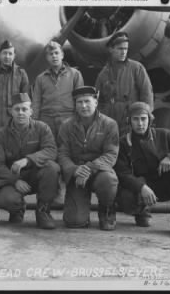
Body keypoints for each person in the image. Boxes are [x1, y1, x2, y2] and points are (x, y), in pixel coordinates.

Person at [0, 93, 60, 229]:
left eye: (24, 109)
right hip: (13, 177)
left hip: (36, 175)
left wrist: (28, 160)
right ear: (10, 112)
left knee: (51, 168)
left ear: (31, 111)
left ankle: (43, 211)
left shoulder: (42, 128)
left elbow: (51, 150)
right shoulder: (0, 134)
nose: (20, 113)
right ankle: (17, 210)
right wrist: (14, 180)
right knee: (7, 199)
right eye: (17, 109)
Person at [114, 102, 170, 237]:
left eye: (143, 119)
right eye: (136, 119)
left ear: (149, 119)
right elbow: (123, 173)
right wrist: (141, 187)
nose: (140, 123)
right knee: (127, 198)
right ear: (129, 121)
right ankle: (141, 212)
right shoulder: (123, 143)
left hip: (165, 184)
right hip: (142, 187)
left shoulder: (165, 135)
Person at [58, 86, 119, 230]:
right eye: (79, 102)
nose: (84, 106)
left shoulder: (109, 124)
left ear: (96, 102)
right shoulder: (66, 126)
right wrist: (74, 170)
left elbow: (111, 154)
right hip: (77, 173)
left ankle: (107, 209)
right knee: (75, 222)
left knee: (108, 181)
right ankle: (79, 208)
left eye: (87, 101)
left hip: (99, 171)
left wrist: (89, 169)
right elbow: (62, 154)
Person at [95, 31, 154, 134]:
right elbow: (97, 101)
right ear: (111, 49)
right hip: (110, 122)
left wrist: (145, 117)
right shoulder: (103, 74)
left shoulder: (137, 68)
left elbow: (147, 93)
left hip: (132, 120)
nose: (123, 52)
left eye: (126, 49)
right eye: (120, 49)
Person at [32, 41, 84, 138]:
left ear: (62, 55)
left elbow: (80, 99)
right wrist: (34, 122)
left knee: (67, 148)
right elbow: (36, 101)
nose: (54, 56)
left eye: (56, 53)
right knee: (48, 148)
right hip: (46, 119)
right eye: (50, 54)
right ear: (47, 58)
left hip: (68, 117)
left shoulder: (75, 74)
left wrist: (79, 120)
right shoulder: (40, 78)